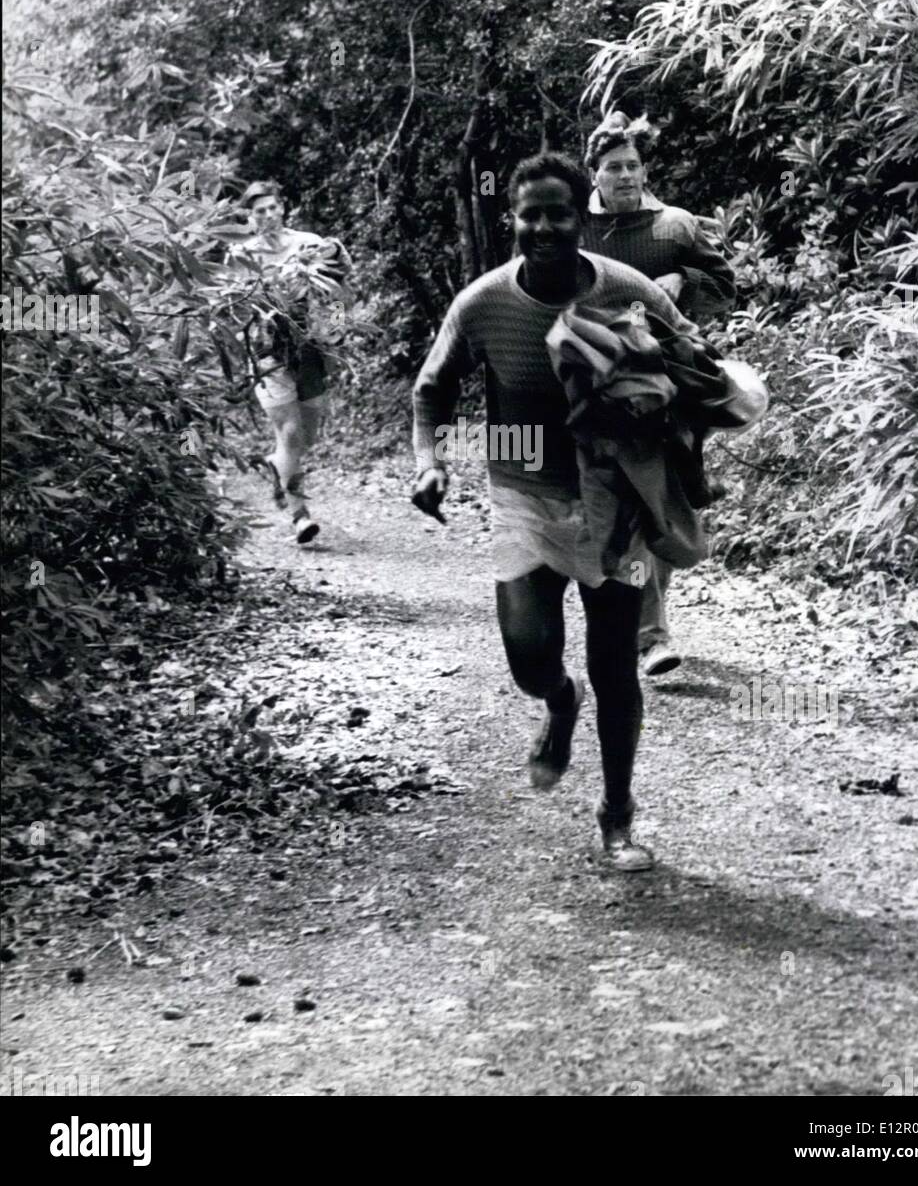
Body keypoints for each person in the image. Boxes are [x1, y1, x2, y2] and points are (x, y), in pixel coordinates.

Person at [411, 151, 701, 872]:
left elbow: (696, 368)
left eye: (558, 213)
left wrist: (663, 404)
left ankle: (617, 815)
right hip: (523, 498)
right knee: (529, 653)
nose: (542, 226)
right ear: (510, 220)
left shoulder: (626, 290)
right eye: (528, 214)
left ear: (582, 218)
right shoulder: (481, 303)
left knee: (615, 667)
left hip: (616, 505)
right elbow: (431, 390)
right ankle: (556, 703)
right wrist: (429, 460)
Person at [581, 112, 736, 677]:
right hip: (599, 393)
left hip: (674, 390)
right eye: (613, 168)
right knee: (630, 504)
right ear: (592, 174)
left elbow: (725, 289)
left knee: (667, 512)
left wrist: (685, 282)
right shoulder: (573, 229)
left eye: (634, 166)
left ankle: (646, 619)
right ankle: (651, 636)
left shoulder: (676, 226)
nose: (626, 177)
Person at [228, 180, 351, 545]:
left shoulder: (307, 243)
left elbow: (337, 285)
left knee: (307, 437)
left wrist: (336, 333)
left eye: (272, 208)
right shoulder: (241, 256)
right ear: (250, 217)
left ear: (283, 207)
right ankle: (300, 517)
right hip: (267, 352)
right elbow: (234, 305)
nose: (267, 216)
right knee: (291, 433)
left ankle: (276, 465)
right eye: (259, 211)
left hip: (310, 347)